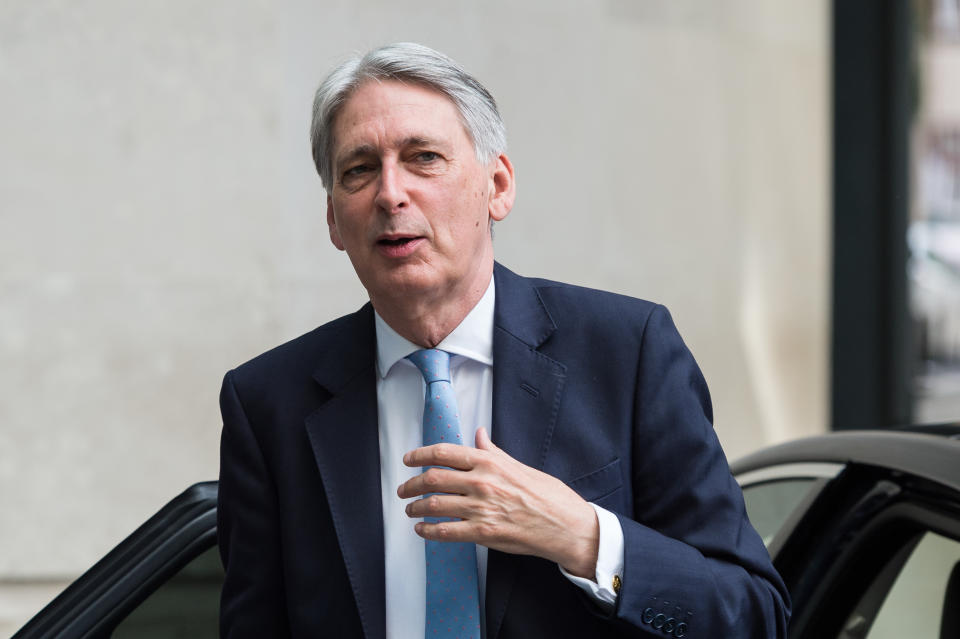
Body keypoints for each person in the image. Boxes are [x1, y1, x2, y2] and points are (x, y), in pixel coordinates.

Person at [217, 42, 790, 639]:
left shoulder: (628, 352)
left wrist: (581, 535)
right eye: (359, 170)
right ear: (334, 219)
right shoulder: (268, 403)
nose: (390, 194)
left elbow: (753, 615)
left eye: (424, 157)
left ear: (497, 186)